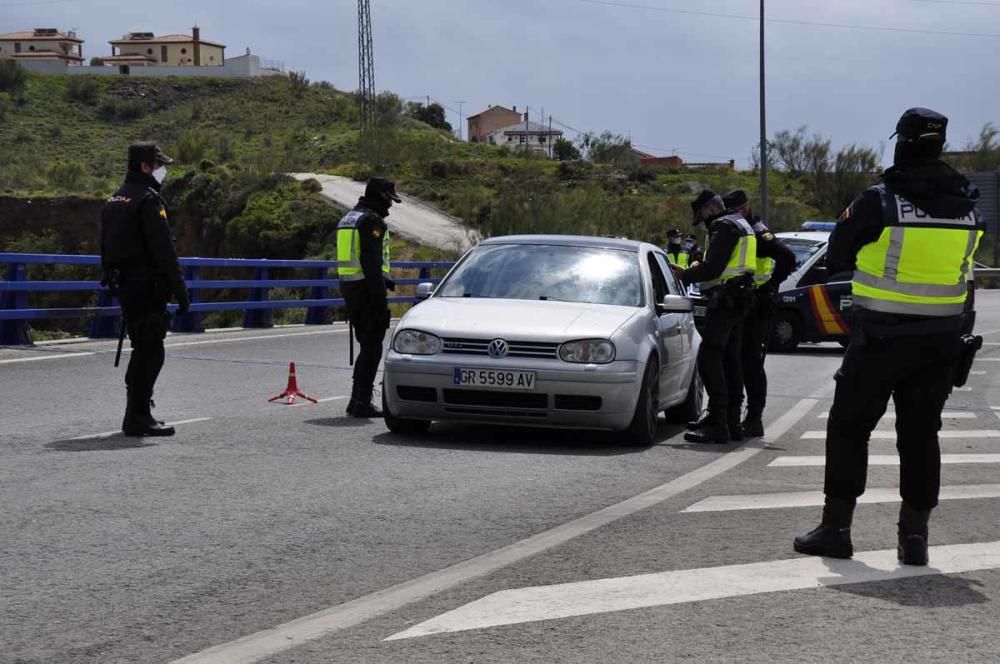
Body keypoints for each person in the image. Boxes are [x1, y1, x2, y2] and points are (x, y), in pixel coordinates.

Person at [793, 108, 985, 566]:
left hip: (879, 337)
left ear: (901, 142)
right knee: (921, 437)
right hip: (940, 341)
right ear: (939, 146)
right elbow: (966, 274)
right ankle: (914, 538)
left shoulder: (879, 200)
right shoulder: (968, 206)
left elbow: (837, 254)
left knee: (848, 427)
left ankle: (836, 529)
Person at [100, 142, 189, 437]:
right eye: (158, 164)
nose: (162, 170)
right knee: (151, 352)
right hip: (148, 286)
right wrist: (180, 288)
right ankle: (138, 416)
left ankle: (136, 413)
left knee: (142, 348)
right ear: (145, 166)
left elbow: (106, 245)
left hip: (125, 285)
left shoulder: (115, 198)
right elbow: (164, 250)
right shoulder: (148, 200)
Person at [671, 190, 756, 444]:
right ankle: (730, 423)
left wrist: (684, 274)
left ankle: (719, 423)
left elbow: (714, 268)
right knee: (730, 359)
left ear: (710, 209)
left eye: (702, 216)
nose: (704, 222)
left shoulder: (724, 226)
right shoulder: (742, 223)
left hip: (728, 297)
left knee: (709, 355)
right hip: (740, 296)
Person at [722, 189, 795, 437]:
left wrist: (771, 284)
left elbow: (787, 256)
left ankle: (754, 418)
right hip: (745, 301)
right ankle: (735, 414)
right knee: (737, 359)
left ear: (744, 208)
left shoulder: (757, 230)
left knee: (751, 362)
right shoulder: (741, 229)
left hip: (758, 304)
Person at [337, 177, 401, 418]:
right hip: (366, 290)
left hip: (350, 288)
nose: (391, 206)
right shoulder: (372, 221)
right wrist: (379, 300)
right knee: (373, 348)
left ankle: (357, 401)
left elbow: (357, 258)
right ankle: (361, 401)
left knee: (367, 345)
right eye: (389, 200)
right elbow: (370, 263)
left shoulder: (350, 218)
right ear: (379, 197)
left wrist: (384, 279)